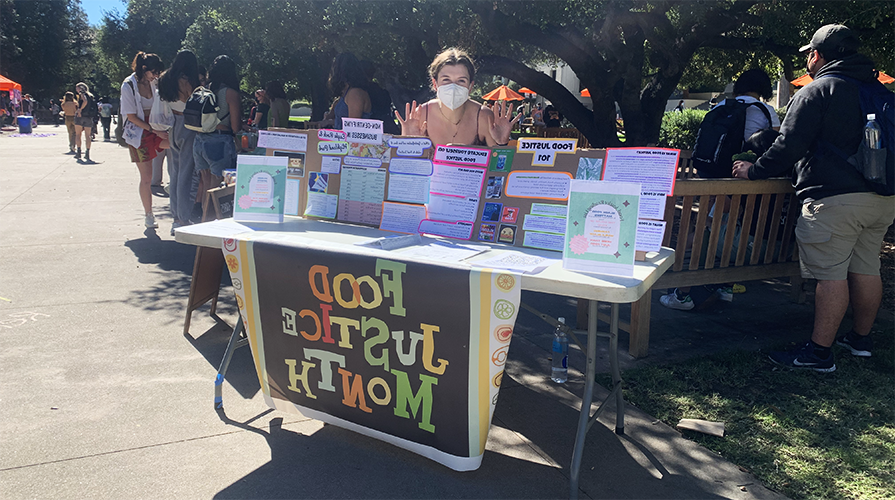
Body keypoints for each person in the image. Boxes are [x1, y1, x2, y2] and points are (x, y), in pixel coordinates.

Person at [732, 24, 895, 372]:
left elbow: (788, 146)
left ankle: (819, 353)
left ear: (817, 55)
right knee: (866, 267)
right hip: (882, 198)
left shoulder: (818, 90)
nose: (807, 59)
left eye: (809, 53)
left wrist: (754, 170)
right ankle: (860, 339)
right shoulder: (881, 92)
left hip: (834, 199)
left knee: (830, 275)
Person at [660, 68, 782, 310]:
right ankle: (724, 286)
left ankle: (681, 289)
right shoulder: (765, 111)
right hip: (743, 182)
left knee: (707, 227)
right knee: (724, 229)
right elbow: (774, 148)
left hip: (711, 180)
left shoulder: (718, 108)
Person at [396, 48, 518, 146]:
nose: (453, 87)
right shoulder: (420, 115)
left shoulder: (483, 117)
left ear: (470, 87)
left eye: (461, 81)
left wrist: (502, 143)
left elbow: (499, 169)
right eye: (446, 80)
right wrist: (407, 144)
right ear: (435, 84)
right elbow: (407, 167)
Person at [154, 49, 201, 235]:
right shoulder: (188, 80)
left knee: (174, 172)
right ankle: (183, 217)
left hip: (172, 124)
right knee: (187, 173)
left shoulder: (166, 78)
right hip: (189, 123)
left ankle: (176, 215)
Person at [120, 51, 166, 229]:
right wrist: (154, 129)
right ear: (144, 68)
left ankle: (176, 184)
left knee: (177, 145)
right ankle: (149, 214)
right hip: (138, 132)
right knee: (147, 177)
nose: (156, 76)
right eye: (154, 72)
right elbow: (131, 116)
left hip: (156, 126)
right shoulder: (128, 85)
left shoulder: (155, 83)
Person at [193, 55, 244, 192]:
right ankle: (212, 214)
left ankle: (203, 213)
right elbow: (235, 127)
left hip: (199, 140)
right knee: (217, 189)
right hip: (219, 141)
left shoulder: (205, 89)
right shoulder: (230, 93)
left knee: (205, 186)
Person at [73, 83, 97, 161]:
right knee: (88, 136)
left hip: (80, 116)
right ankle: (87, 152)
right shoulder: (91, 96)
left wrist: (80, 110)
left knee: (78, 134)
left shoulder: (81, 94)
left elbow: (85, 101)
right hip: (88, 117)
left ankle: (79, 151)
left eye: (77, 88)